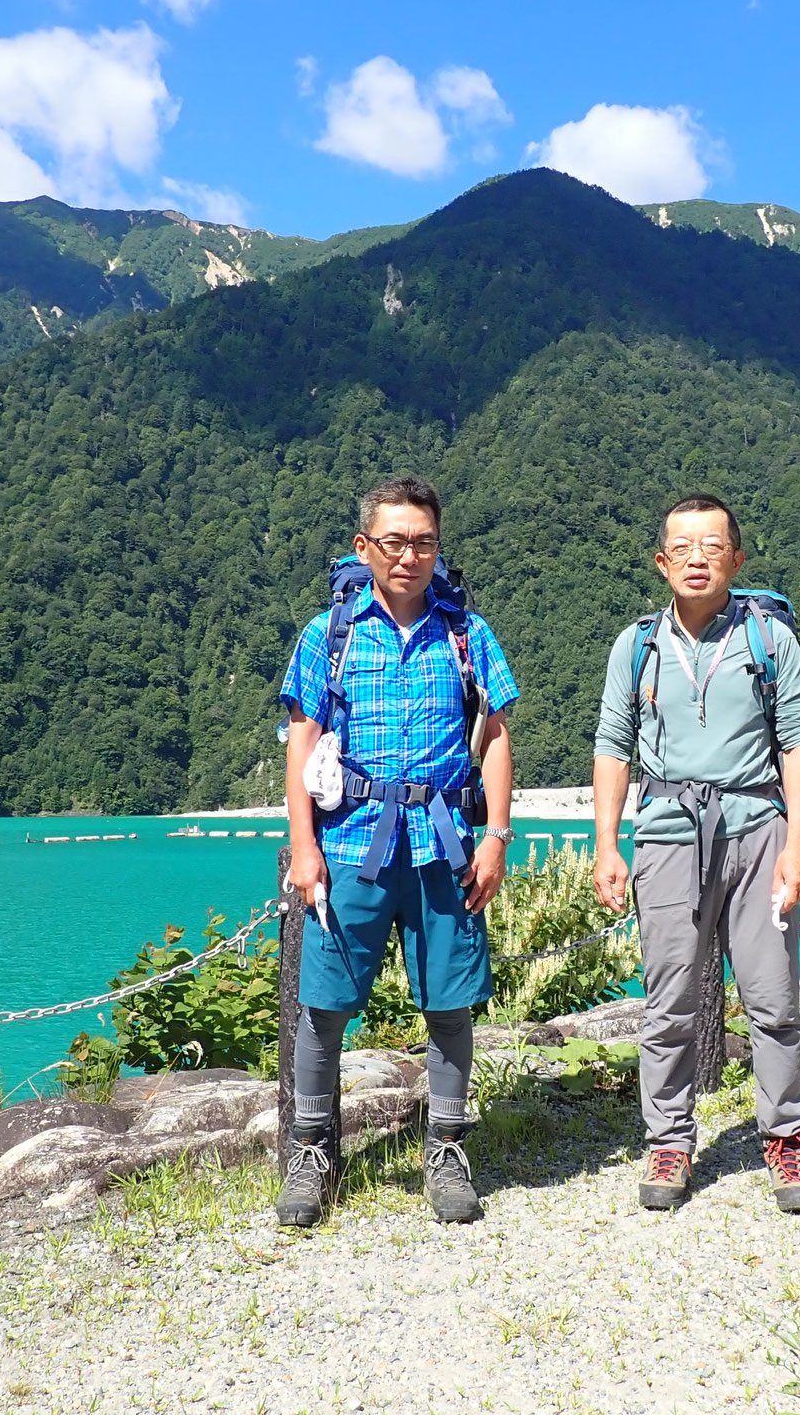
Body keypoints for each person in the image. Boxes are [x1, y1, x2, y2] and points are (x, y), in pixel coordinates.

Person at [276, 476, 519, 1227]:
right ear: (365, 547)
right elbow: (302, 745)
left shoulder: (466, 634)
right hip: (352, 843)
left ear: (437, 548)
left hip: (445, 844)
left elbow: (500, 735)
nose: (408, 555)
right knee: (323, 1005)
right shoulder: (329, 636)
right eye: (394, 541)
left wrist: (498, 838)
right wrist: (303, 850)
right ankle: (312, 1151)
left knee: (450, 1004)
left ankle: (446, 1148)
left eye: (422, 541)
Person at [591, 493, 800, 1213]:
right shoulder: (637, 645)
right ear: (662, 562)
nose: (698, 559)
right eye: (683, 548)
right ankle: (669, 1140)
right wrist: (607, 845)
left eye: (713, 547)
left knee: (773, 999)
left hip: (759, 833)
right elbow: (612, 746)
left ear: (737, 559)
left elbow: (799, 742)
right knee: (669, 1002)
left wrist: (799, 847)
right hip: (666, 836)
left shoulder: (768, 639)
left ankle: (785, 1139)